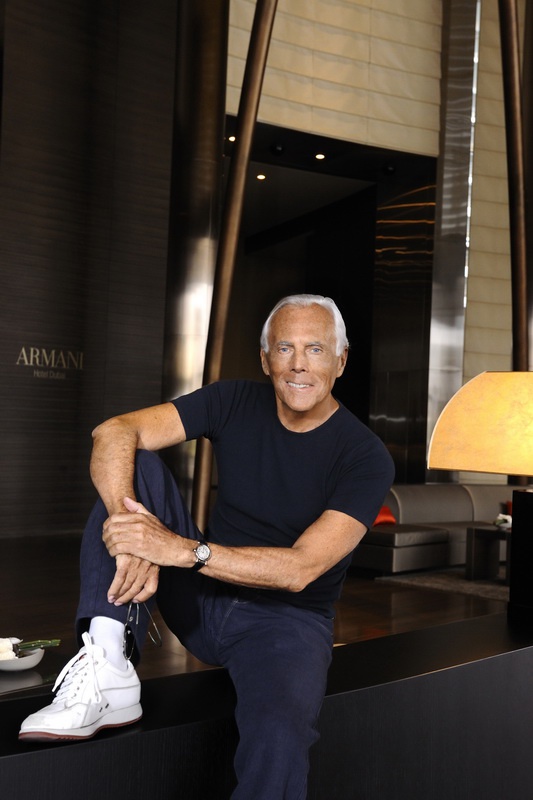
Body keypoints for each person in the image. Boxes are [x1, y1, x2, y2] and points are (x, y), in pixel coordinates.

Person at [19, 293, 394, 799]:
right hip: (200, 600)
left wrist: (181, 551)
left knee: (280, 737)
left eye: (316, 349)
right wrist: (130, 534)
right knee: (136, 464)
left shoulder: (365, 456)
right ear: (265, 359)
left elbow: (301, 569)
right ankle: (109, 665)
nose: (299, 364)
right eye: (284, 348)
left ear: (341, 360)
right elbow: (114, 431)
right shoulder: (233, 399)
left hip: (286, 623)